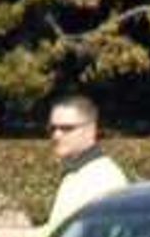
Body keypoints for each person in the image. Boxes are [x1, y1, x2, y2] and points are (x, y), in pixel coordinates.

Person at [36, 96, 130, 237]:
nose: (56, 135)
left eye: (67, 128)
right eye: (52, 128)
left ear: (91, 129)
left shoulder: (102, 178)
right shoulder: (78, 173)